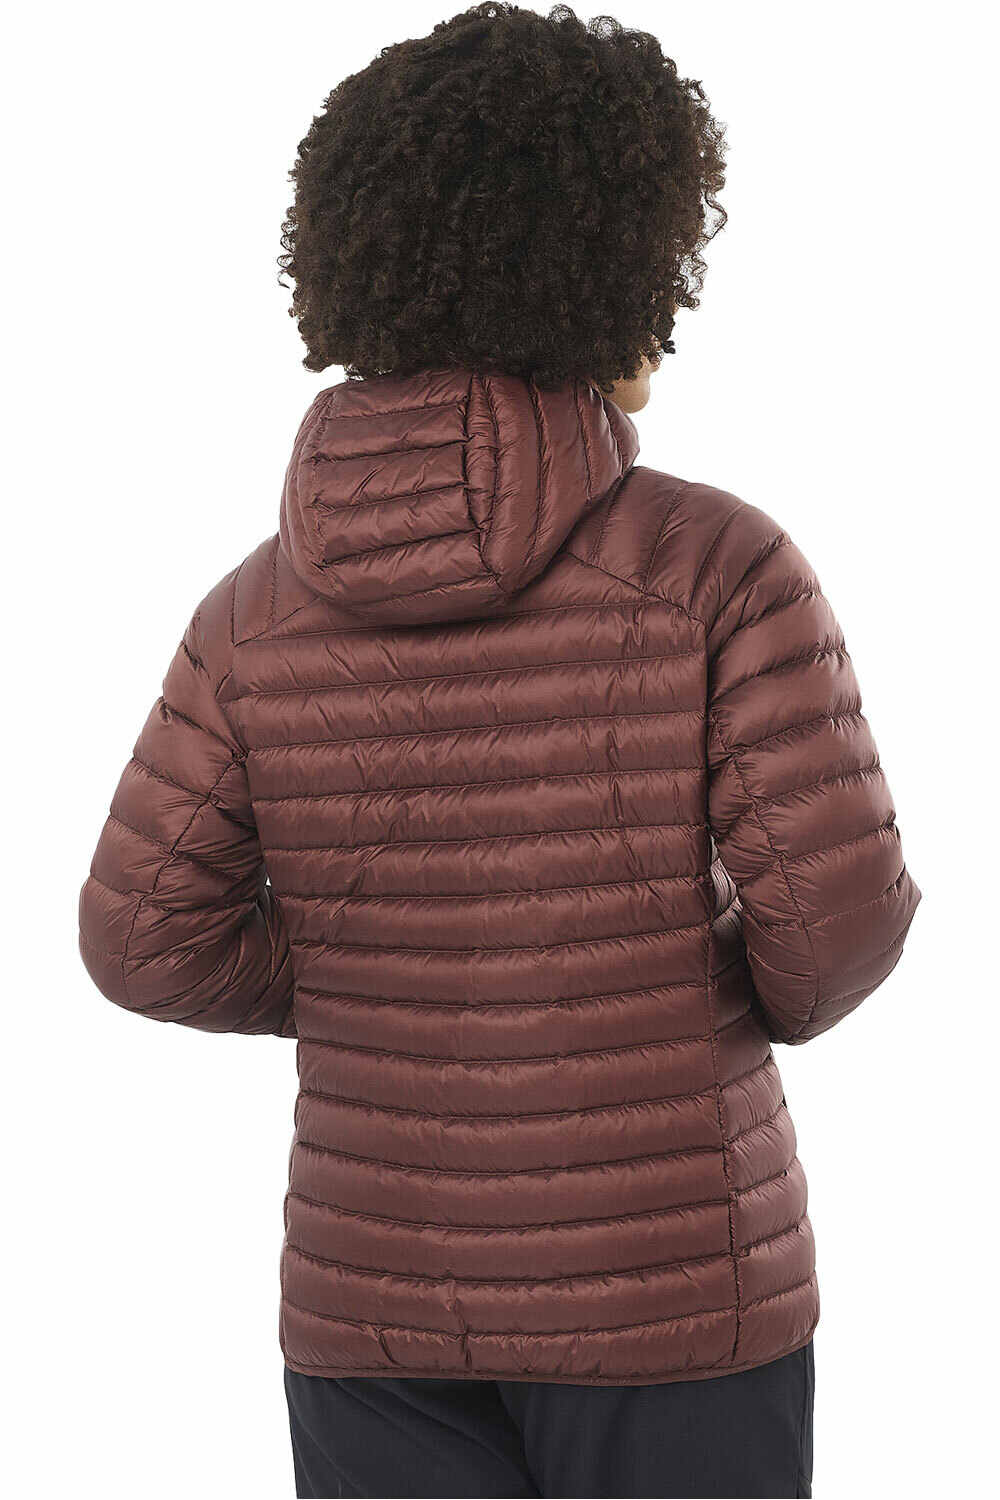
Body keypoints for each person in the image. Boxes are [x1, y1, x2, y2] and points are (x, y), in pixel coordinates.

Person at [78, 5, 920, 1496]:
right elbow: (835, 931)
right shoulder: (715, 568)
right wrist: (657, 987)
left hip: (369, 1314)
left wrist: (378, 988)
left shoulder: (248, 615)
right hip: (675, 1302)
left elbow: (142, 940)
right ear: (616, 270)